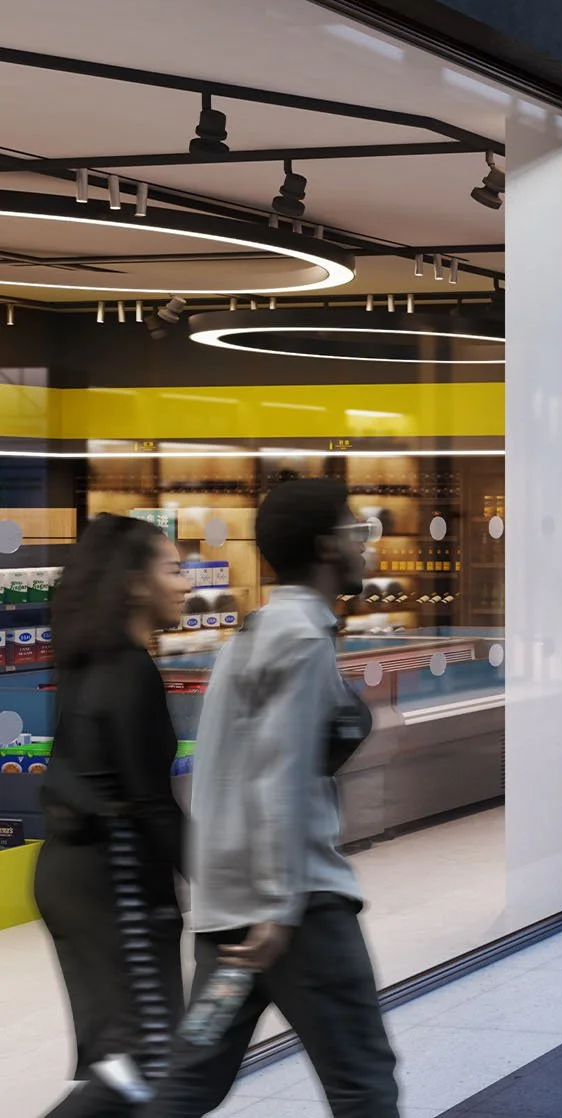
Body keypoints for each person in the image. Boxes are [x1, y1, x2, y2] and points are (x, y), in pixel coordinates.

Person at [153, 478, 398, 1117]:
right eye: (353, 531)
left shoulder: (256, 631)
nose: (361, 544)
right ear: (325, 546)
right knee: (364, 1081)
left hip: (228, 917)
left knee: (193, 1079)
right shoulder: (300, 638)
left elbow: (225, 773)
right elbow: (282, 777)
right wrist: (278, 908)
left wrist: (241, 899)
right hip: (297, 916)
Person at [35, 516, 187, 1116]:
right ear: (133, 583)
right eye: (171, 569)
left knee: (125, 1063)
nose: (184, 584)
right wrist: (229, 884)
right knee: (139, 1068)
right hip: (113, 881)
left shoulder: (87, 663)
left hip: (72, 876)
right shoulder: (128, 672)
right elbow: (151, 803)